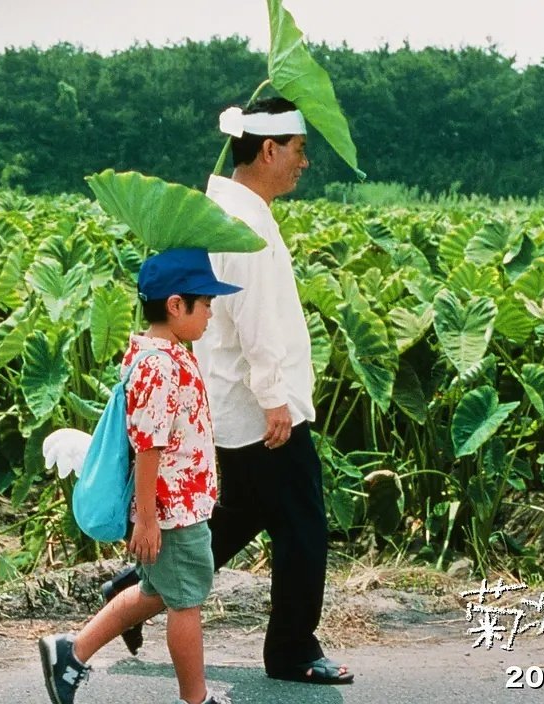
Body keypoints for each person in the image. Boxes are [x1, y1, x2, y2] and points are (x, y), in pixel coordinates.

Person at [103, 97, 354, 685]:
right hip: (259, 406)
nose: (304, 162)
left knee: (243, 514)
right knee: (302, 525)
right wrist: (274, 397)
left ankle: (136, 588)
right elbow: (255, 318)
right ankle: (291, 651)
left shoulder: (229, 209)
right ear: (269, 150)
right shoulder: (245, 224)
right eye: (299, 150)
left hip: (234, 403)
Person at [39, 248, 240, 704]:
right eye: (206, 303)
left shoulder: (162, 355)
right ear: (176, 305)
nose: (211, 312)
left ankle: (71, 652)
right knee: (186, 603)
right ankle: (196, 699)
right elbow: (149, 445)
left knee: (154, 592)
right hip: (172, 511)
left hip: (175, 506)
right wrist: (147, 519)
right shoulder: (159, 366)